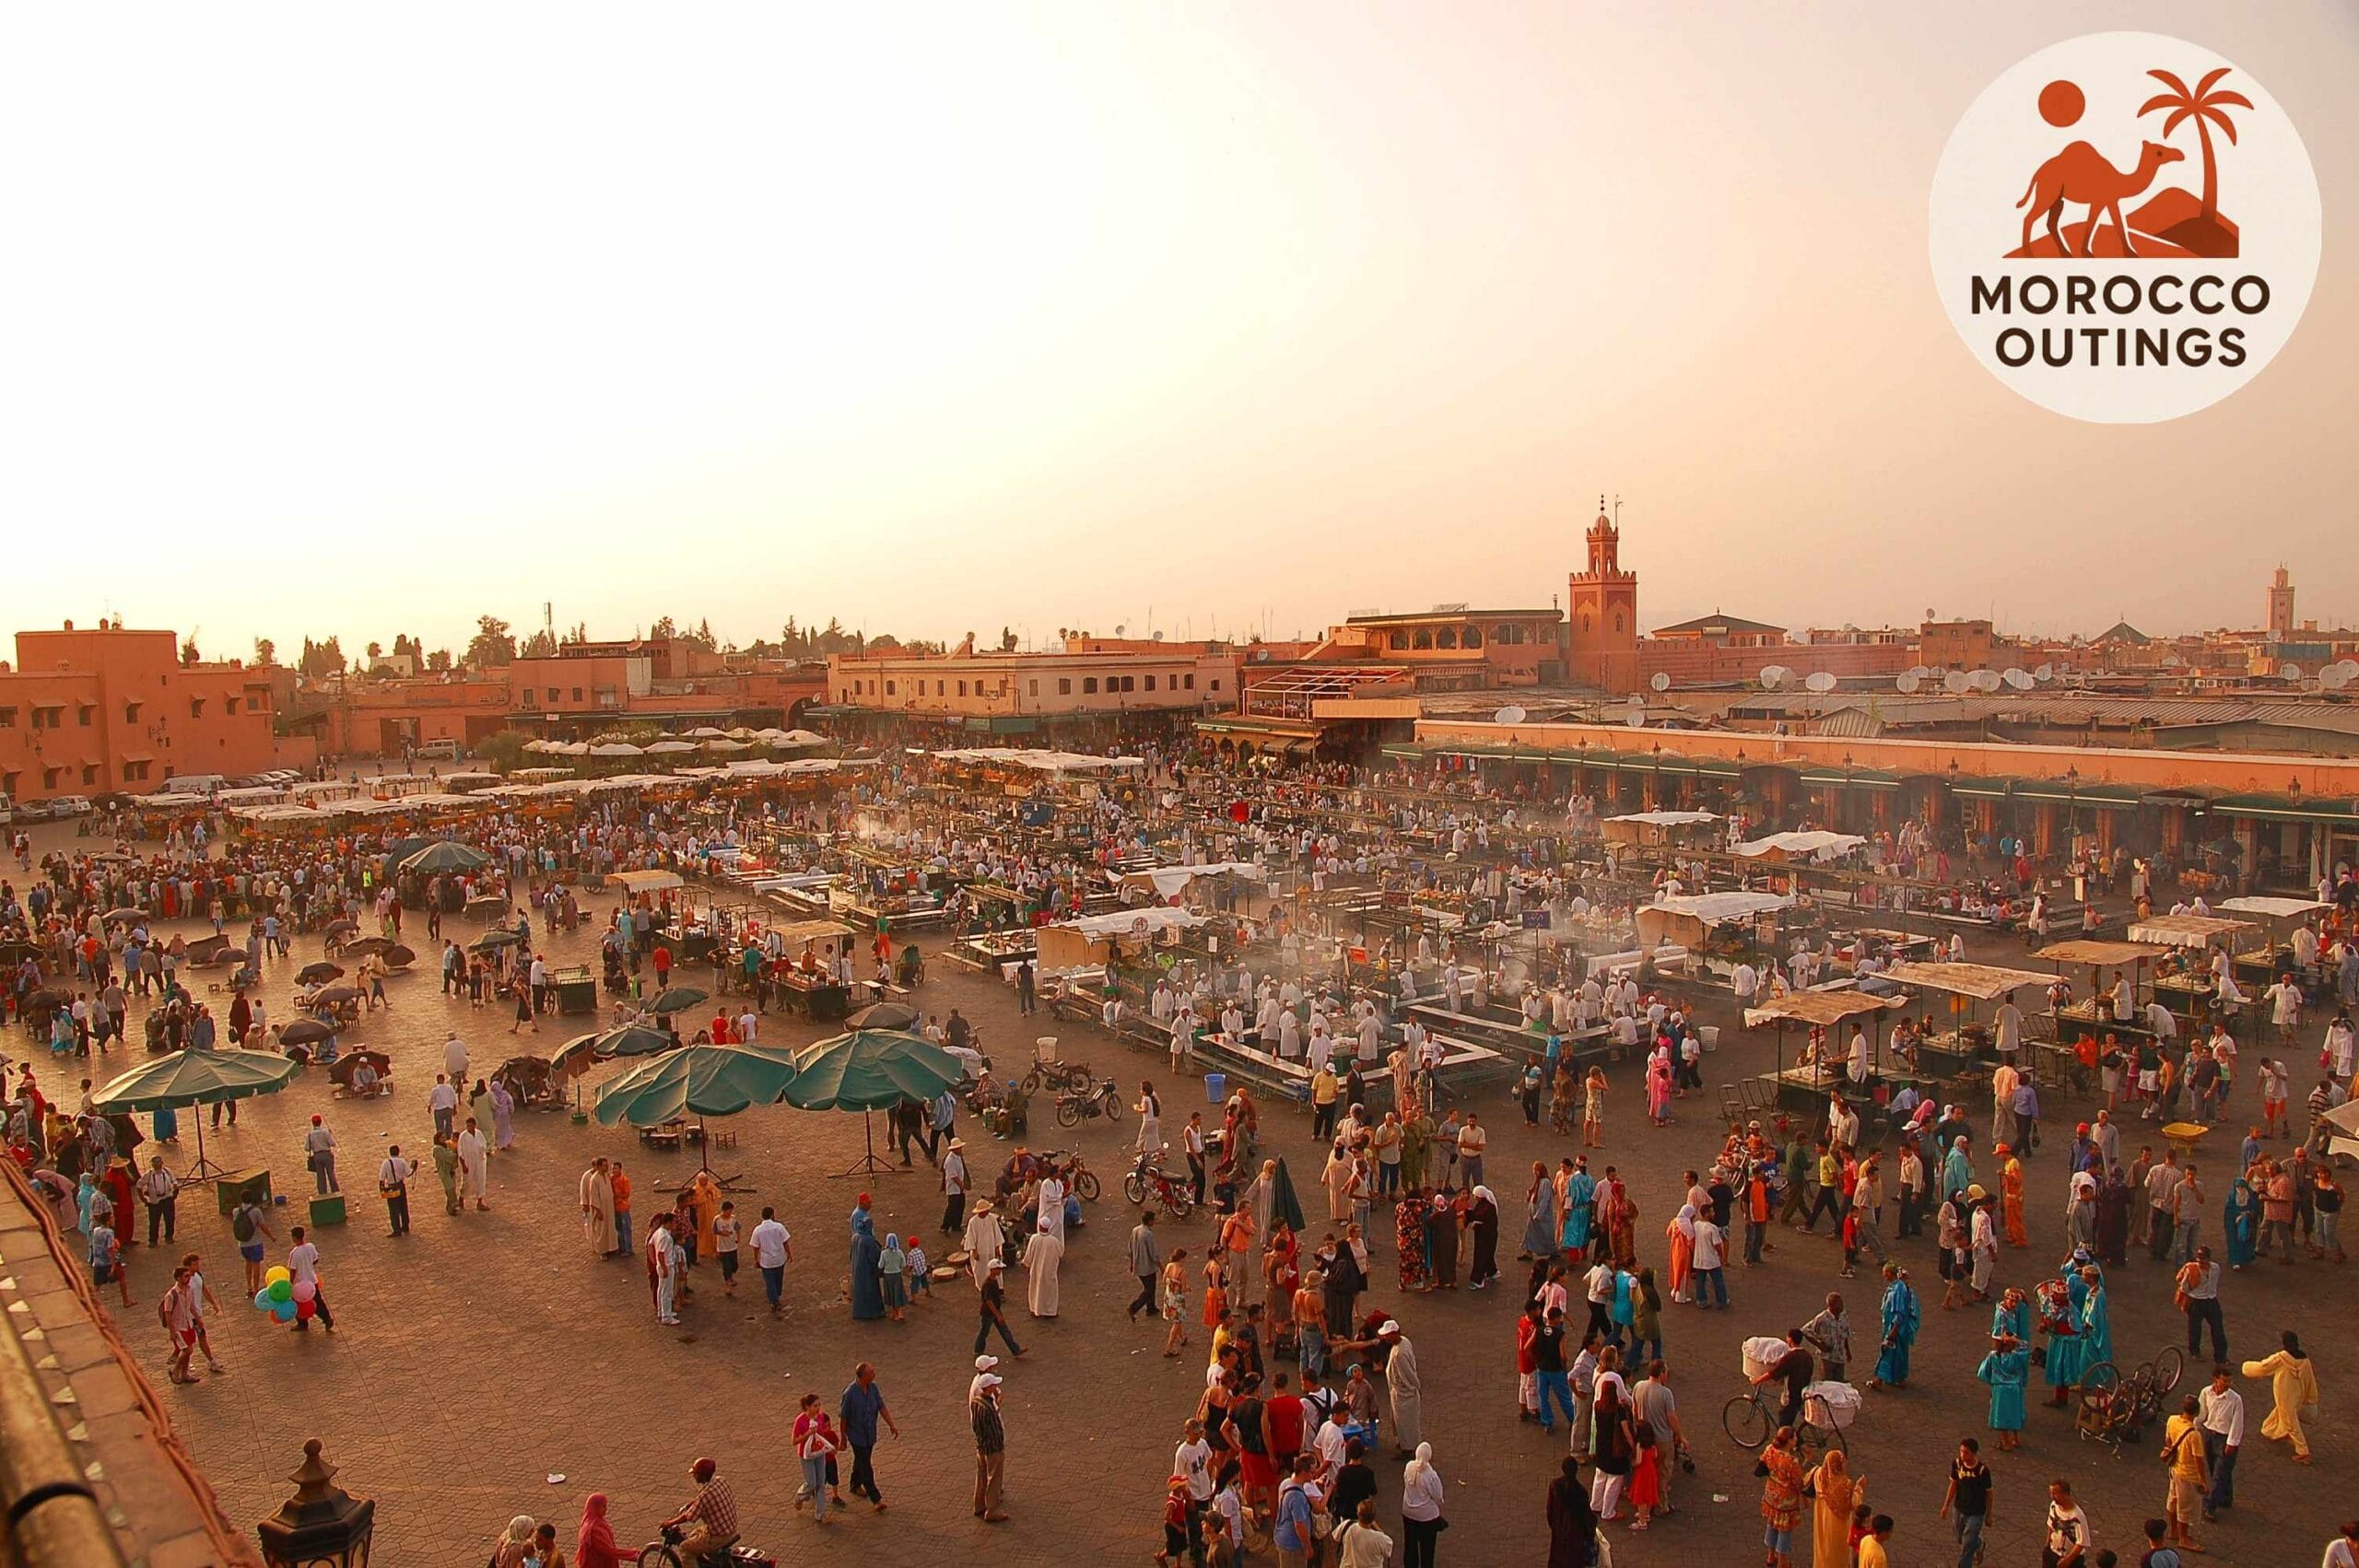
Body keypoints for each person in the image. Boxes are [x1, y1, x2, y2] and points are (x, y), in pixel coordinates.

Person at [2240, 1330, 2318, 1465]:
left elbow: (2263, 1367)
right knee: (2278, 1416)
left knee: (2290, 1421)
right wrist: (2310, 1396)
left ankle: (2303, 1452)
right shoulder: (2304, 1359)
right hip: (2298, 1395)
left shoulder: (2281, 1358)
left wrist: (2246, 1367)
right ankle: (2272, 1431)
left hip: (2284, 1395)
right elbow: (2310, 1379)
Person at [660, 1457, 739, 1562]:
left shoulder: (705, 1497)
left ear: (703, 1475)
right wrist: (691, 1504)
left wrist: (669, 1523)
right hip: (730, 1527)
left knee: (685, 1548)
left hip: (718, 1536)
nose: (693, 1475)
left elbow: (688, 1517)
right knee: (694, 1535)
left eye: (696, 1473)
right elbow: (705, 1498)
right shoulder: (720, 1480)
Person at [2159, 1394, 2208, 1554]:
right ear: (2197, 1412)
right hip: (2188, 1475)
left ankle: (2173, 1530)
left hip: (2174, 1468)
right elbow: (2199, 1460)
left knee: (2172, 1500)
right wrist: (2203, 1481)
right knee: (2185, 1507)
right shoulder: (2194, 1434)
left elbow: (2168, 1441)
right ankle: (2184, 1537)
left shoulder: (2172, 1420)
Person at [2197, 1363, 2244, 1520]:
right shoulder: (2206, 1393)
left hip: (2225, 1440)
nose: (2227, 1385)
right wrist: (2193, 1428)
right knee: (2216, 1470)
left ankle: (2209, 1506)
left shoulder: (2235, 1400)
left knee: (2219, 1474)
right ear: (2215, 1380)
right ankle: (2226, 1498)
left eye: (2229, 1381)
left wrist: (2232, 1442)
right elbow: (2202, 1414)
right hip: (2209, 1436)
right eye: (2224, 1381)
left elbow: (2238, 1423)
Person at [1938, 1436, 1993, 1568]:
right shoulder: (1957, 1464)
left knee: (1967, 1546)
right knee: (1960, 1538)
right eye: (1961, 1451)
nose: (1963, 1455)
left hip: (1976, 1512)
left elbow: (1989, 1493)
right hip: (1959, 1508)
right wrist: (1946, 1505)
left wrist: (1989, 1514)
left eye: (1966, 1452)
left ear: (1974, 1453)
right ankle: (1979, 1543)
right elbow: (1953, 1484)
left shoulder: (1982, 1471)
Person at [1756, 1425, 1806, 1568]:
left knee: (1771, 1524)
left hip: (1771, 1496)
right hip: (1786, 1501)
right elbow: (1798, 1482)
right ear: (1790, 1441)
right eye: (1795, 1437)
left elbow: (1763, 1462)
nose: (1797, 1439)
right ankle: (1783, 1561)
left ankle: (1771, 1556)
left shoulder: (1769, 1450)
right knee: (1784, 1530)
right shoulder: (1791, 1461)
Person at [1807, 1446, 1860, 1568]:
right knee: (1837, 1553)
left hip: (1821, 1520)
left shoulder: (1819, 1474)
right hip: (1838, 1525)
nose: (1846, 1462)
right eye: (1843, 1461)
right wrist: (1859, 1488)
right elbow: (1854, 1503)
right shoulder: (1845, 1484)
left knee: (1822, 1548)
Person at [970, 1357, 1010, 1522]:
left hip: (981, 1445)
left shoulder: (976, 1403)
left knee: (981, 1475)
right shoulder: (988, 1407)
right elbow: (994, 1428)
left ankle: (979, 1505)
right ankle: (991, 1509)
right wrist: (999, 1446)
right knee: (994, 1478)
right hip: (992, 1448)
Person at [1546, 1455, 1600, 1568]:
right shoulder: (1580, 1491)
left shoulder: (1554, 1486)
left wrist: (1555, 1526)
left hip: (1559, 1530)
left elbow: (1549, 1510)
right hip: (1575, 1534)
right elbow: (1586, 1517)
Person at [1977, 1333, 2029, 1447]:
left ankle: (2005, 1442)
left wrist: (1993, 1382)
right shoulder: (2017, 1357)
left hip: (2000, 1389)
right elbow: (2025, 1346)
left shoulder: (1993, 1356)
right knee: (2015, 1412)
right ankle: (2015, 1439)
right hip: (2014, 1388)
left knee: (2001, 1415)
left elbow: (1983, 1372)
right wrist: (2015, 1339)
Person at [2042, 1478, 2090, 1568]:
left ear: (2065, 1494)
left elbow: (2081, 1542)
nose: (2052, 1496)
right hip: (2052, 1553)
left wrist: (2068, 1560)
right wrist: (2047, 1547)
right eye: (2051, 1493)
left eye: (2055, 1493)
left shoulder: (2077, 1516)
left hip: (2071, 1559)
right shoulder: (2053, 1506)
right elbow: (2050, 1525)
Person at [1023, 1212, 1063, 1317]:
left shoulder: (1034, 1239)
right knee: (1049, 1291)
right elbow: (1060, 1253)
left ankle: (1035, 1309)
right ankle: (1050, 1311)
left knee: (1036, 1288)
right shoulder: (1054, 1241)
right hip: (1049, 1270)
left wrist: (1027, 1264)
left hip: (1036, 1269)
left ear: (1040, 1226)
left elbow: (1028, 1255)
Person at [376, 1144, 414, 1237]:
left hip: (391, 1187)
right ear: (398, 1152)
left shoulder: (386, 1163)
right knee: (403, 1206)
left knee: (393, 1209)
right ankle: (405, 1225)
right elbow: (408, 1173)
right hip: (400, 1185)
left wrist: (381, 1189)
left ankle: (396, 1229)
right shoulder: (402, 1161)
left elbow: (382, 1178)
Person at [575, 1493, 621, 1568]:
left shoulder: (597, 1520)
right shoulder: (593, 1531)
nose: (606, 1509)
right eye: (603, 1506)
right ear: (595, 1508)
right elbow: (609, 1550)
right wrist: (633, 1554)